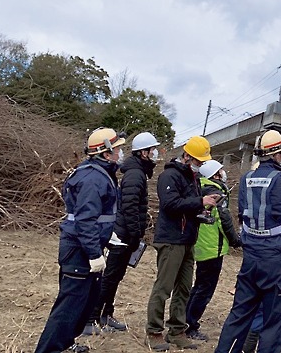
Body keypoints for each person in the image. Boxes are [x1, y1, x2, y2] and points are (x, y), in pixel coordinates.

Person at [214, 130, 281, 353]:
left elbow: (243, 211)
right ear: (278, 154)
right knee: (273, 323)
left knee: (239, 316)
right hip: (275, 262)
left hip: (251, 259)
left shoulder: (247, 180)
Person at [34, 127, 126, 353]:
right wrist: (95, 254)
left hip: (85, 246)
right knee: (69, 306)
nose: (121, 153)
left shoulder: (98, 174)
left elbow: (98, 215)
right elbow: (85, 220)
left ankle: (65, 343)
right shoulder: (93, 178)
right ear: (106, 153)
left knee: (84, 304)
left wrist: (108, 234)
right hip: (79, 251)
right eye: (117, 149)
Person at [145, 136, 221, 352]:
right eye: (198, 160)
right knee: (163, 287)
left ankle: (177, 331)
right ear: (186, 156)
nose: (200, 164)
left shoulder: (192, 178)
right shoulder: (169, 175)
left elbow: (187, 206)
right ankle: (153, 332)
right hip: (170, 240)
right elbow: (170, 205)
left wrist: (203, 209)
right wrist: (200, 201)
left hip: (187, 239)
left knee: (184, 288)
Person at [82, 132, 161, 335]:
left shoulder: (137, 172)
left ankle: (105, 315)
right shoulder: (135, 174)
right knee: (110, 277)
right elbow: (130, 207)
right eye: (152, 150)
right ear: (143, 152)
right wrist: (135, 235)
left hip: (126, 234)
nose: (155, 153)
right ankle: (92, 319)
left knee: (115, 277)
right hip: (122, 236)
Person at [184, 160, 241, 341]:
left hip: (201, 244)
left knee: (199, 286)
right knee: (205, 289)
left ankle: (186, 320)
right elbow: (224, 220)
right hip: (212, 247)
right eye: (221, 170)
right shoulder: (216, 192)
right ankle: (190, 325)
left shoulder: (199, 187)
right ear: (215, 175)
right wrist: (235, 241)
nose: (224, 173)